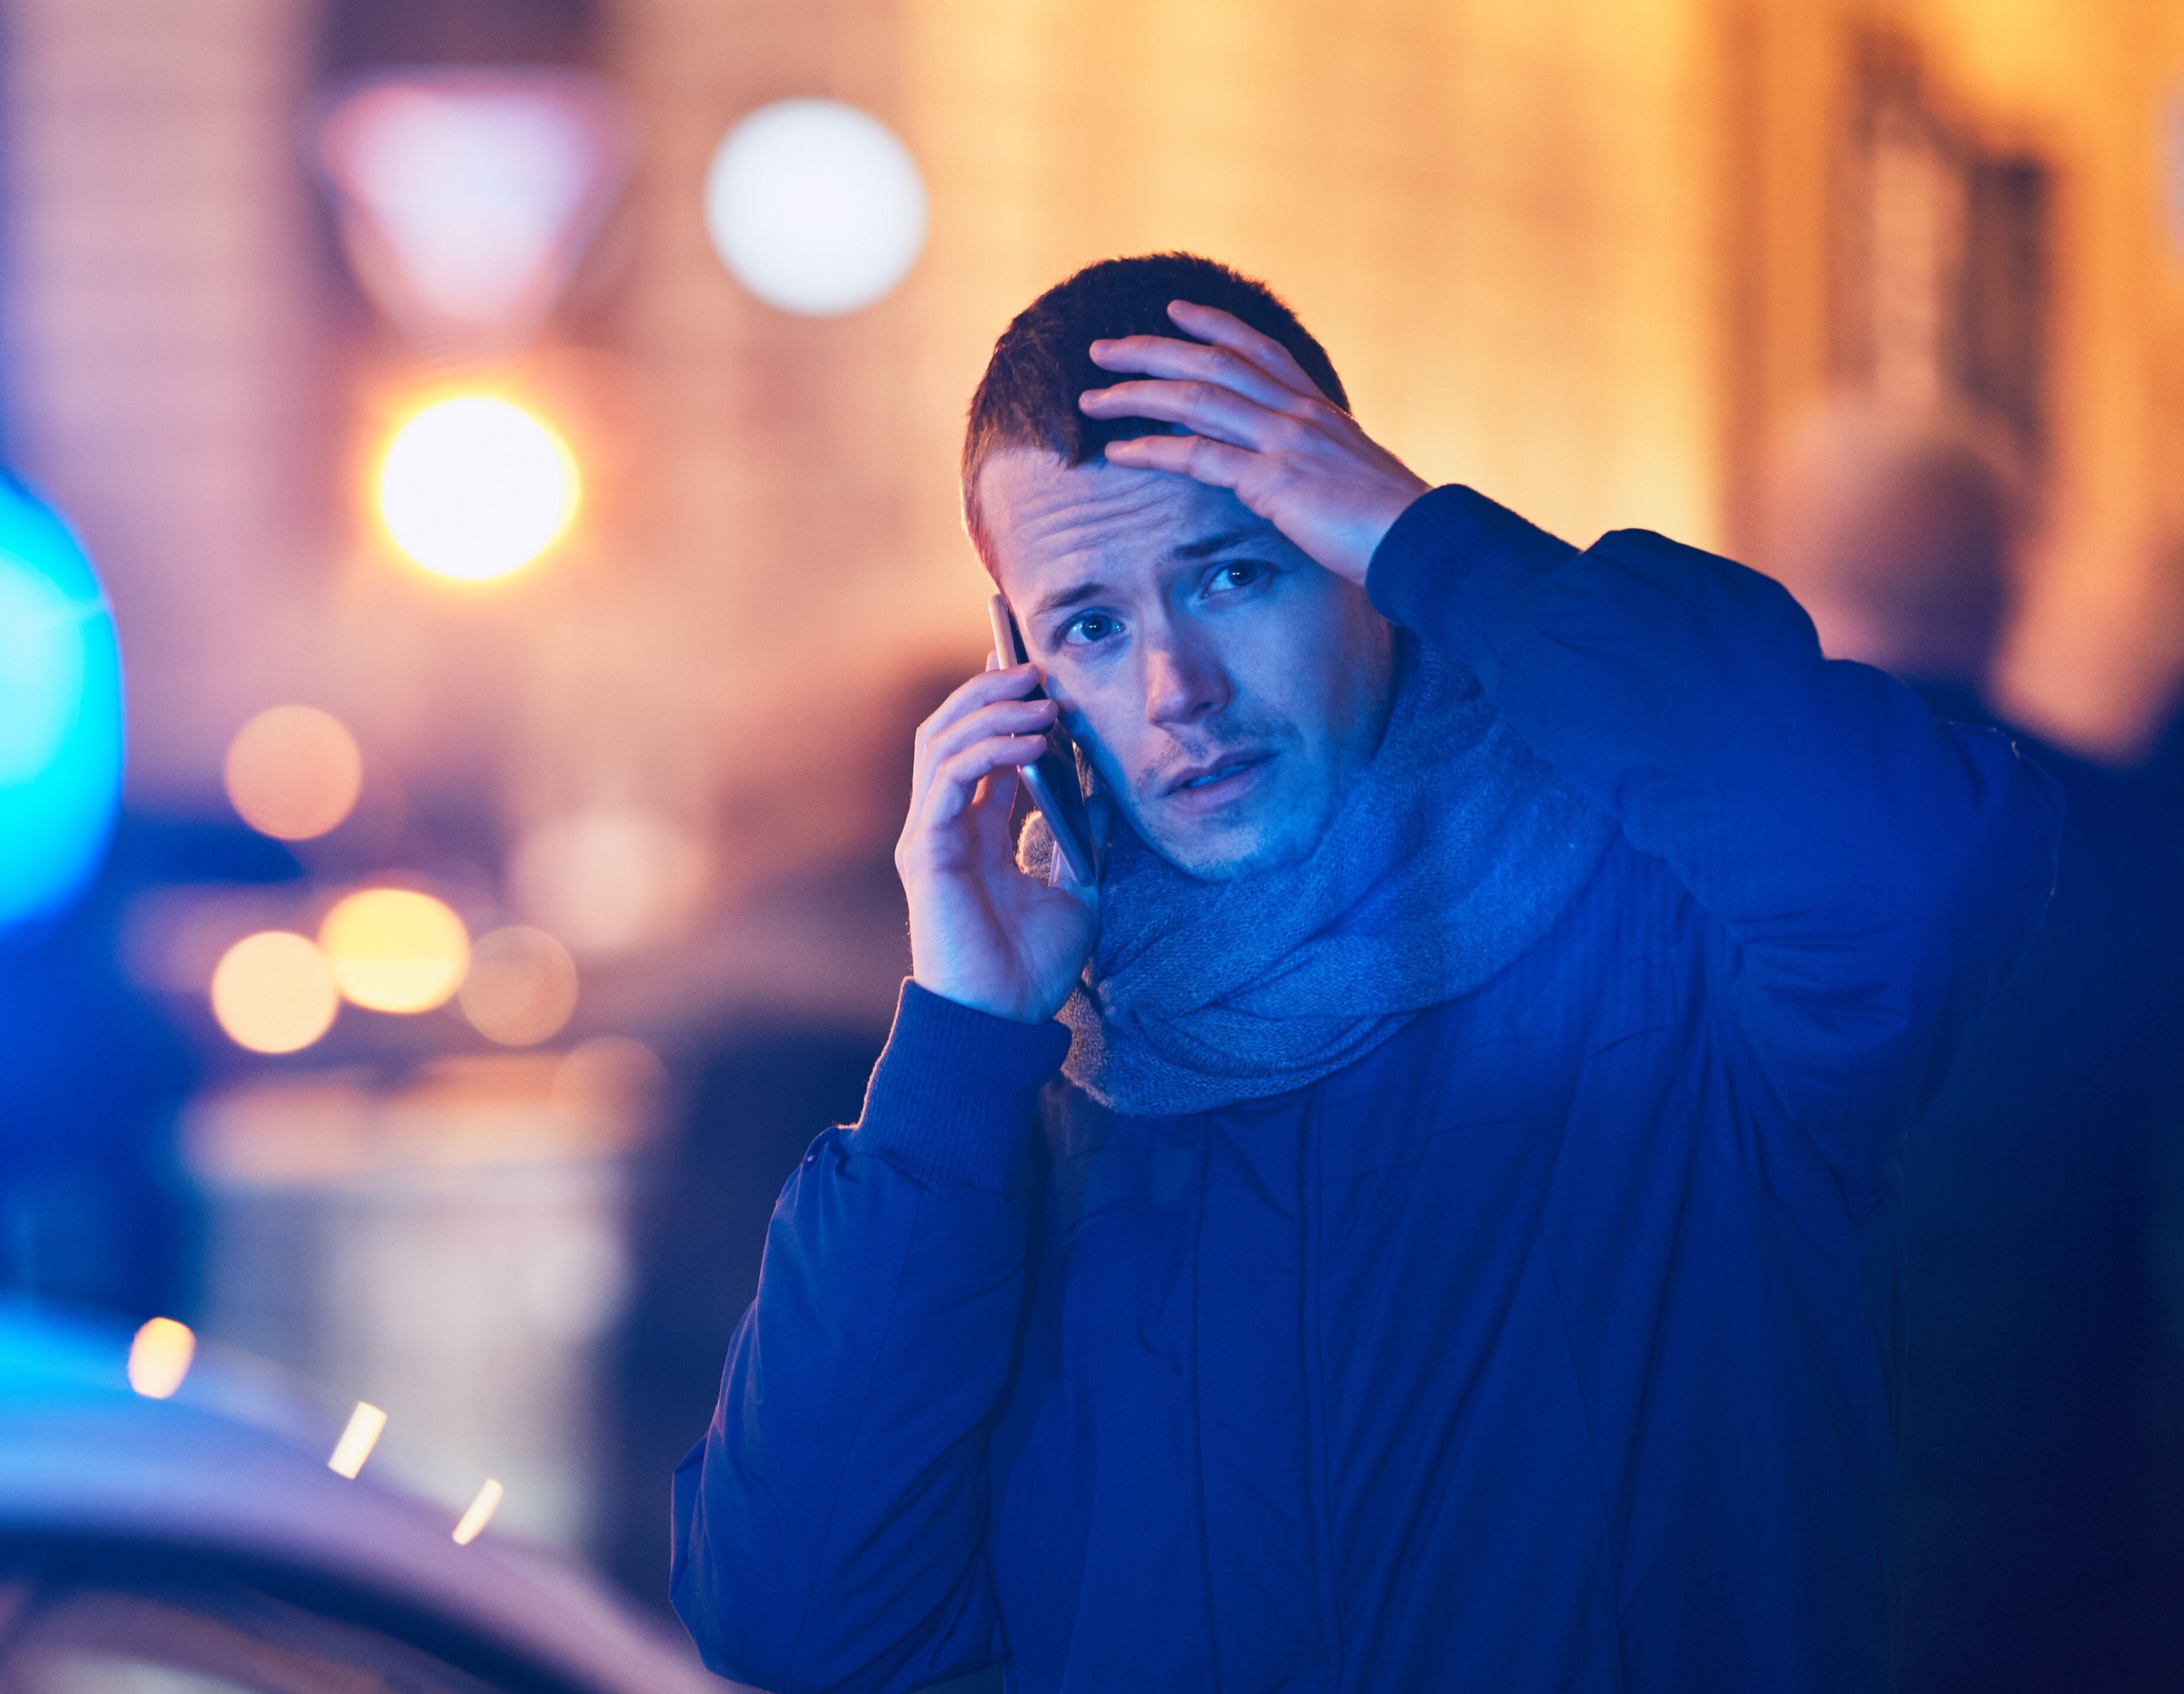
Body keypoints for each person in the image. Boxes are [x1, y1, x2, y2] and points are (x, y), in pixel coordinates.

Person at [669, 254, 2062, 1693]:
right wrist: (957, 1046)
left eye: (1232, 574)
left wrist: (1435, 546)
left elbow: (1919, 875)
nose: (1174, 691)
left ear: (1355, 569)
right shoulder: (1020, 1114)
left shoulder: (1672, 960)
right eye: (1090, 625)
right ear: (1020, 676)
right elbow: (799, 1624)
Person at [1760, 407, 2184, 1693]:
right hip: (2073, 1517)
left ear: (1782, 584)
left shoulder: (1672, 857)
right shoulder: (2128, 846)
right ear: (2005, 589)